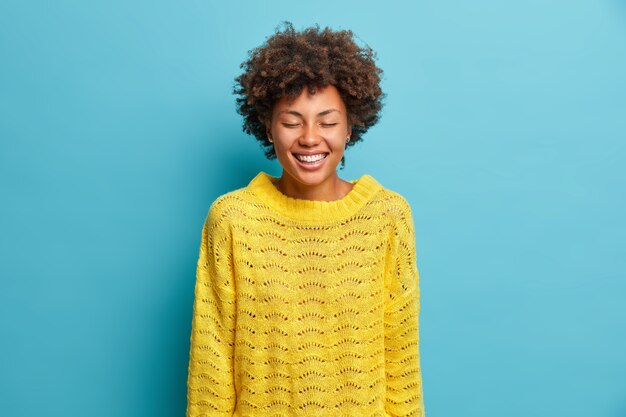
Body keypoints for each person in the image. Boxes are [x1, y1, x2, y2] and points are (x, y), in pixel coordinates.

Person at [186, 21, 425, 417]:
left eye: (328, 122)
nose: (310, 138)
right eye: (292, 121)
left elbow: (401, 358)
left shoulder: (387, 216)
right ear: (267, 126)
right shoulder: (232, 219)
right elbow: (211, 364)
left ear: (350, 128)